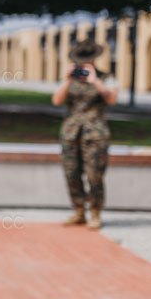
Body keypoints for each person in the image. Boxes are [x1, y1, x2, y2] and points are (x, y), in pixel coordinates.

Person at [51, 38, 118, 229]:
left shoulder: (105, 77)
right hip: (71, 133)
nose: (83, 64)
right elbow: (56, 100)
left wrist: (95, 81)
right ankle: (79, 210)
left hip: (95, 134)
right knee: (71, 173)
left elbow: (112, 99)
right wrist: (66, 80)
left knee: (94, 175)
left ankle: (95, 212)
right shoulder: (71, 77)